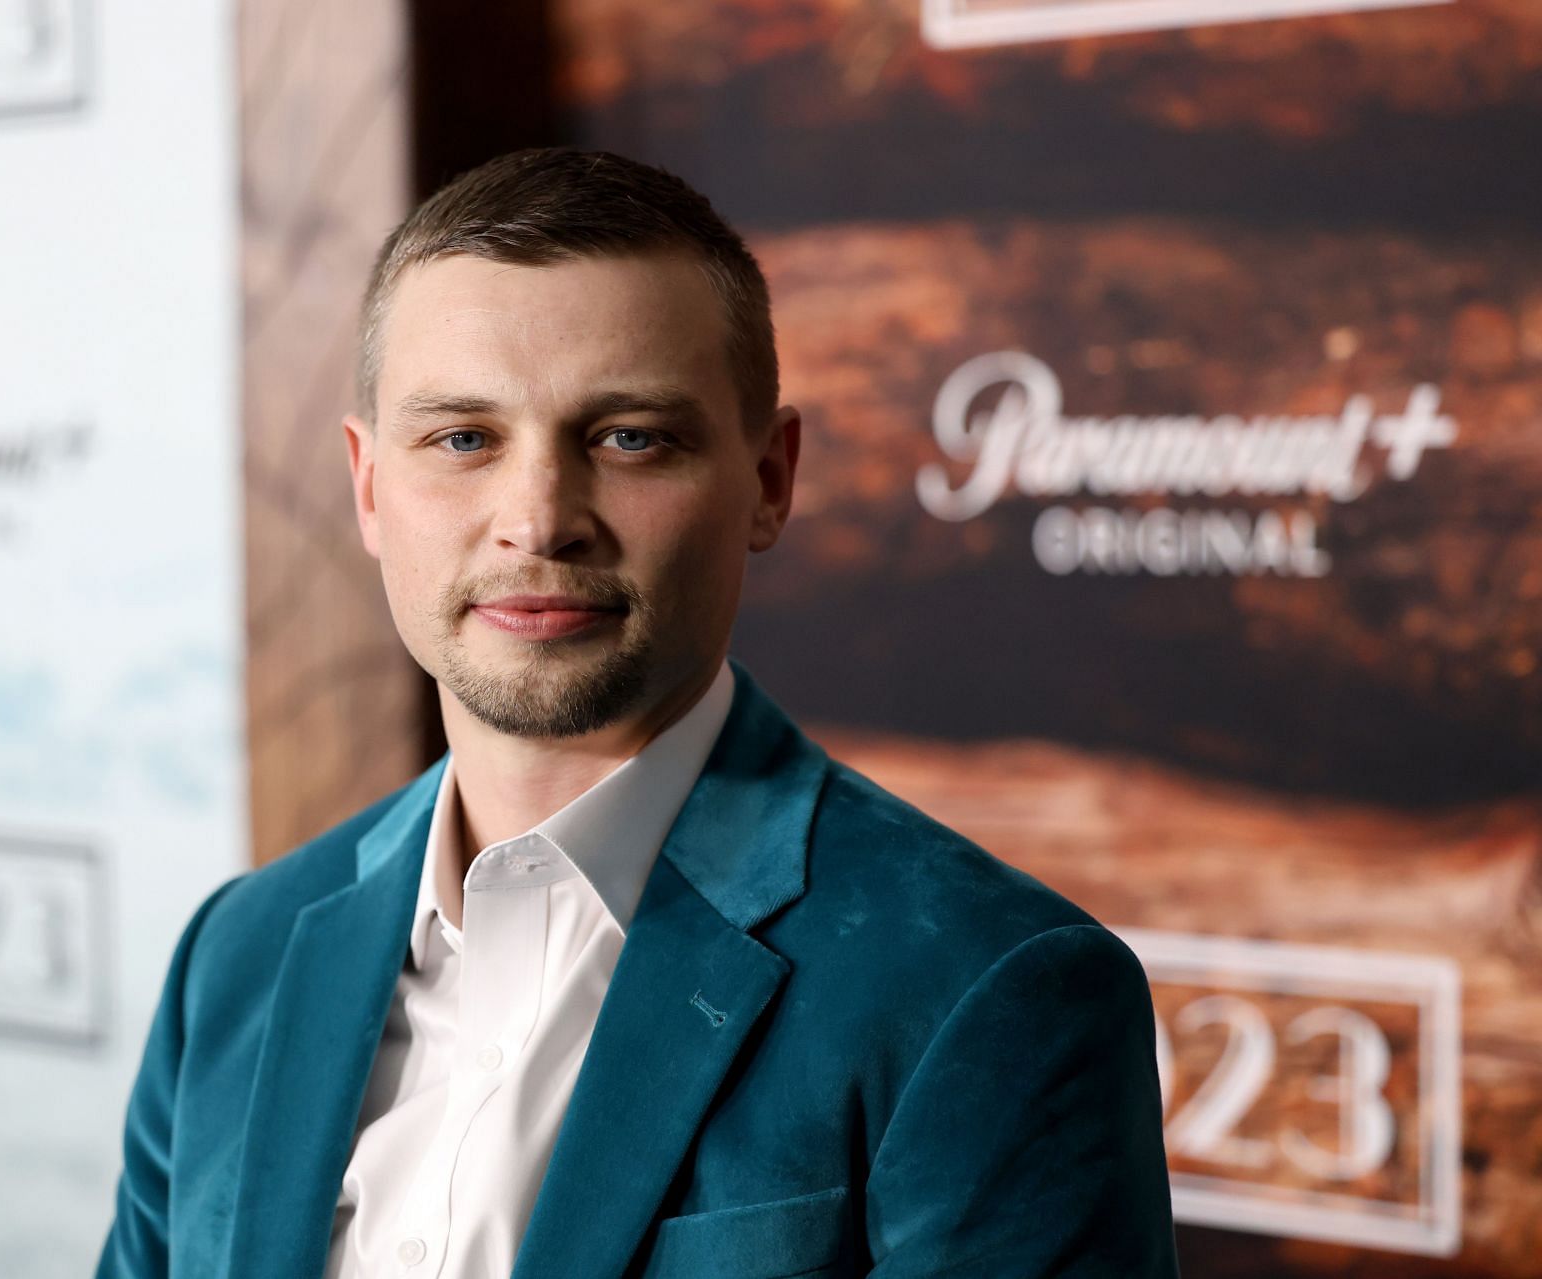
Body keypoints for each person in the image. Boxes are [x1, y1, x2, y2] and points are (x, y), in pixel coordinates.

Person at [96, 147, 1178, 1279]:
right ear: (369, 487)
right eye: (463, 438)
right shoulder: (240, 954)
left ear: (768, 480)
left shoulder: (989, 990)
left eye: (628, 438)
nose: (539, 519)